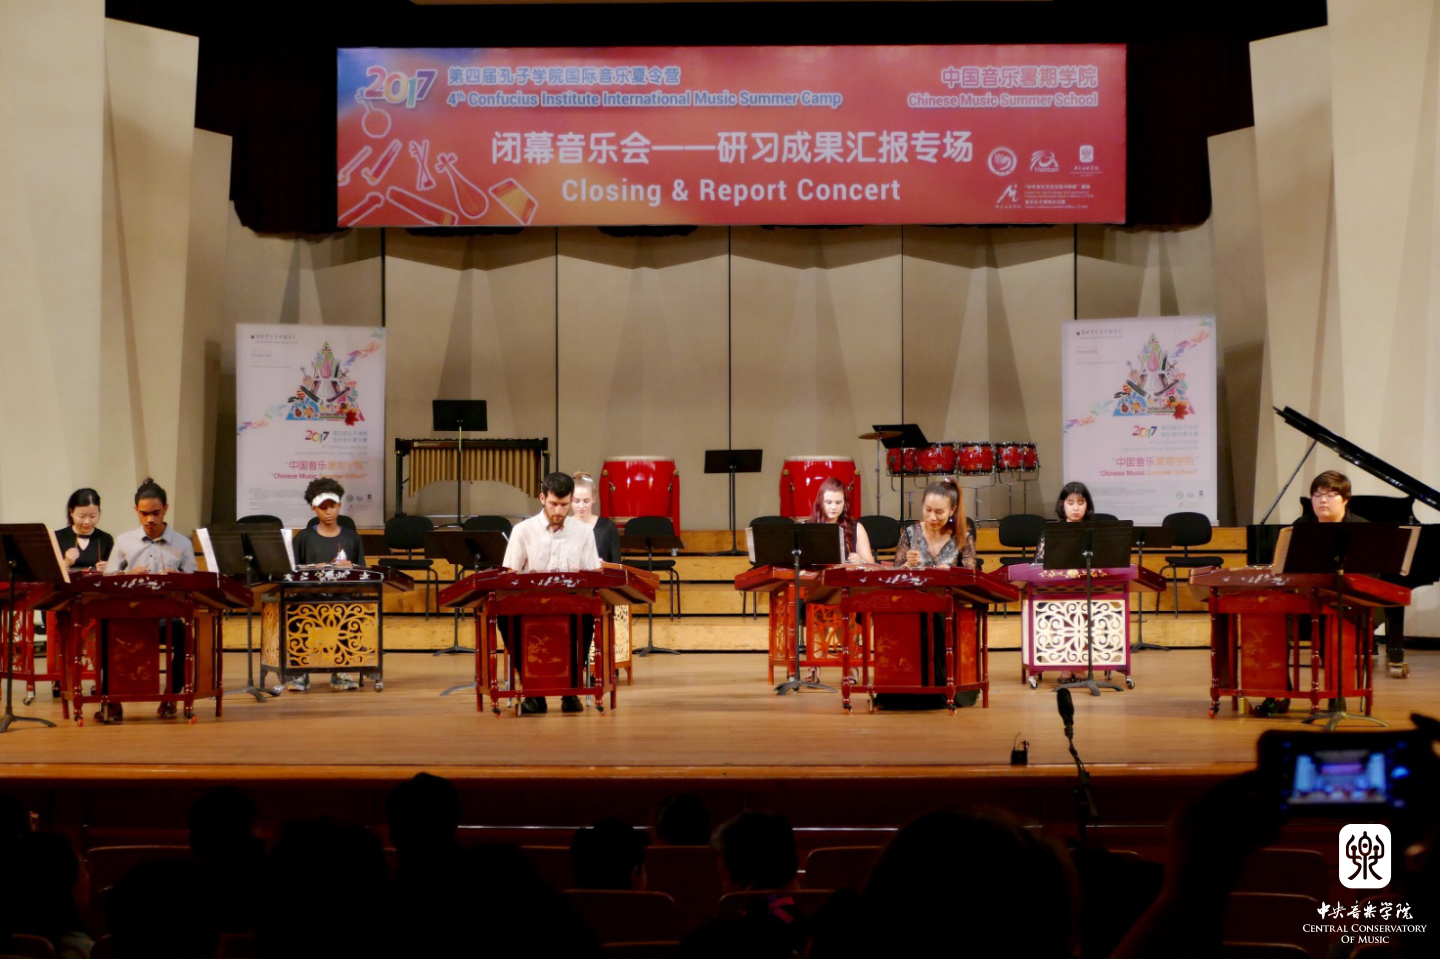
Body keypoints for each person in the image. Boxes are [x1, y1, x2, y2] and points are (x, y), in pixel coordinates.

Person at [501, 472, 601, 715]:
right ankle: (533, 693)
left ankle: (571, 692)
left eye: (565, 505)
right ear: (542, 498)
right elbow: (510, 573)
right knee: (506, 619)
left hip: (571, 603)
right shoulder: (523, 530)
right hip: (531, 605)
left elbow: (592, 575)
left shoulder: (584, 532)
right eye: (554, 504)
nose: (559, 511)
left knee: (587, 618)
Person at [101, 478, 196, 722]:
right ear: (136, 510)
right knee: (103, 631)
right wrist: (127, 574)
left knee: (185, 636)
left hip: (166, 617)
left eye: (155, 513)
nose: (150, 519)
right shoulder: (124, 541)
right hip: (130, 615)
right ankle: (111, 699)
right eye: (144, 514)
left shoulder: (182, 543)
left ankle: (170, 695)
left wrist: (178, 579)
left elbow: (195, 584)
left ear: (165, 509)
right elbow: (108, 579)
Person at [884, 479, 976, 709]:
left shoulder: (963, 535)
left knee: (936, 618)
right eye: (927, 510)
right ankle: (904, 690)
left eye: (939, 512)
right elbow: (895, 576)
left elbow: (970, 576)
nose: (932, 517)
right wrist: (907, 564)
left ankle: (943, 688)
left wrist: (951, 572)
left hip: (947, 605)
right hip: (914, 604)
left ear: (952, 510)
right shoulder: (910, 533)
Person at [286, 477, 365, 692]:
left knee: (350, 611)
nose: (328, 512)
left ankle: (341, 671)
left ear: (339, 505)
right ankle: (300, 672)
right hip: (308, 597)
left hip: (342, 597)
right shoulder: (304, 537)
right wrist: (314, 567)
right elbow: (292, 571)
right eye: (323, 507)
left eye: (332, 506)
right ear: (314, 508)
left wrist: (351, 566)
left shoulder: (352, 537)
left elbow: (362, 572)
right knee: (295, 610)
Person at [809, 477, 873, 565]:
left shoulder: (857, 528)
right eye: (828, 502)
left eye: (838, 502)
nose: (833, 507)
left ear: (845, 503)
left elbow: (871, 565)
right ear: (820, 503)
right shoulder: (809, 528)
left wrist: (860, 561)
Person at [1031, 480, 1096, 566]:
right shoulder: (1051, 532)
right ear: (1062, 505)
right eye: (1070, 503)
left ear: (1087, 505)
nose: (1076, 508)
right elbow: (1038, 565)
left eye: (1080, 503)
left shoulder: (1095, 531)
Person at [55, 488, 113, 573]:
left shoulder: (106, 539)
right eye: (81, 516)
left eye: (92, 516)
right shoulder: (57, 537)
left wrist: (108, 568)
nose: (87, 522)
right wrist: (66, 563)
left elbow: (116, 572)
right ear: (71, 512)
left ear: (99, 513)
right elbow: (47, 573)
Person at [569, 472, 621, 563]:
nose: (581, 506)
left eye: (586, 501)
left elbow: (617, 564)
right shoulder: (563, 526)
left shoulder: (608, 527)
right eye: (576, 501)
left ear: (594, 498)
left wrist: (604, 565)